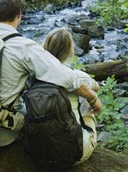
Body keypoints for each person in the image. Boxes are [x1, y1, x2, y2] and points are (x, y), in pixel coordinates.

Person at [0, 0, 102, 148]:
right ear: (20, 14)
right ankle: (84, 133)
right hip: (1, 133)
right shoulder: (23, 46)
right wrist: (93, 95)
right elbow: (67, 78)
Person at [42, 27, 99, 164]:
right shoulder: (75, 75)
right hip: (73, 154)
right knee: (88, 96)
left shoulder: (34, 75)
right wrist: (93, 98)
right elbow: (96, 86)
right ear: (69, 51)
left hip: (40, 151)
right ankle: (86, 130)